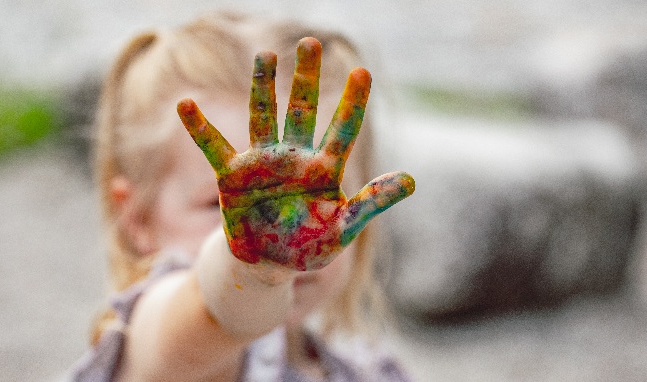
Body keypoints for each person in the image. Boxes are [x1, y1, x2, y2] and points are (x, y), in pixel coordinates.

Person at [71, 12, 415, 381]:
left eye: (321, 202)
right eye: (216, 203)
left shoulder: (365, 369)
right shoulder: (162, 342)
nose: (287, 222)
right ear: (137, 219)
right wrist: (255, 267)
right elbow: (222, 308)